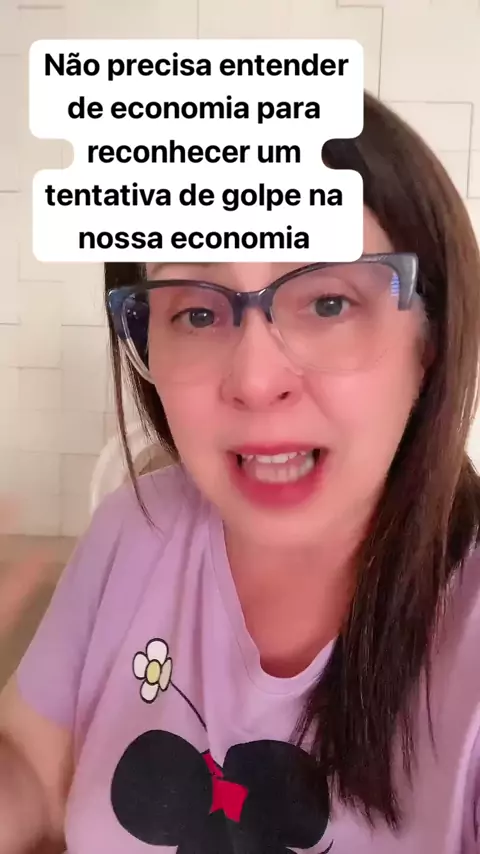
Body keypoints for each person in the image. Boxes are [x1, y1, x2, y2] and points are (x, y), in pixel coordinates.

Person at [1, 89, 480, 854]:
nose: (255, 381)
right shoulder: (135, 528)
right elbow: (30, 766)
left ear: (432, 338)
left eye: (328, 302)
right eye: (196, 313)